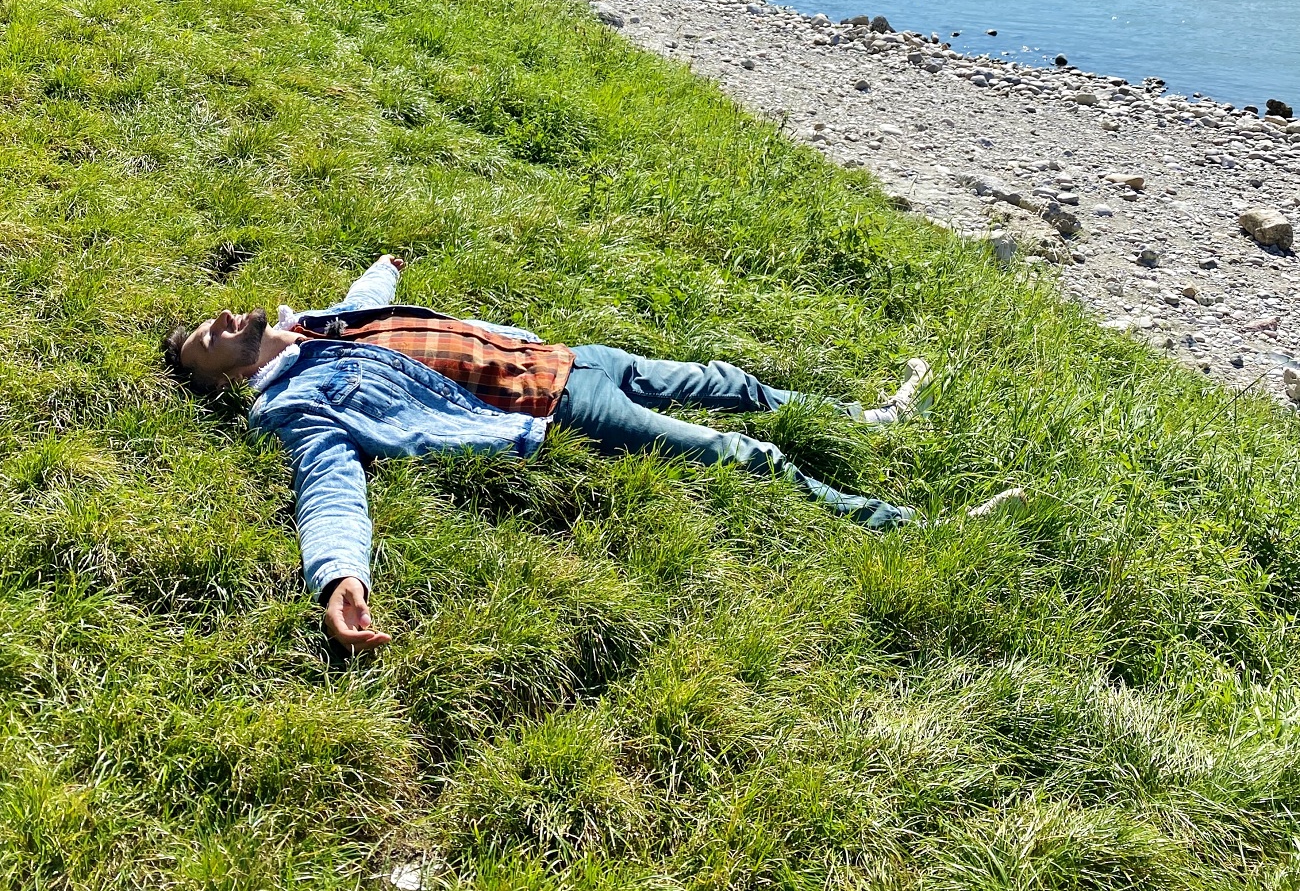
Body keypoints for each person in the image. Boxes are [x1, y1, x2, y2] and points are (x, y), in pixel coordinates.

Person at [165, 257, 1016, 650]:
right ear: (226, 379)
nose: (219, 323)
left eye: (211, 318)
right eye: (205, 342)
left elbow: (366, 303)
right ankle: (907, 525)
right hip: (554, 401)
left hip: (569, 355)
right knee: (740, 453)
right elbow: (329, 489)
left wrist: (383, 270)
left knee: (732, 381)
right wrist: (339, 577)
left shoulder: (315, 321)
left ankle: (870, 420)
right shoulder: (296, 403)